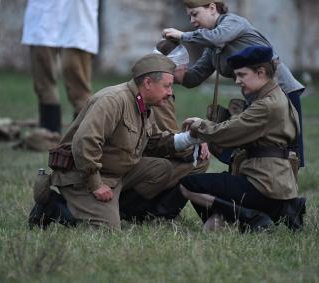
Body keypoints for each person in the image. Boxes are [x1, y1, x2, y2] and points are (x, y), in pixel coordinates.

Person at [28, 54, 199, 230]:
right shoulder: (113, 100)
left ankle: (115, 209)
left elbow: (154, 142)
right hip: (82, 175)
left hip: (115, 173)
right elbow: (85, 142)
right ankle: (52, 207)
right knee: (106, 228)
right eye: (167, 86)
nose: (170, 92)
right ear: (148, 83)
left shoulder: (144, 105)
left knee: (161, 168)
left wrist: (191, 138)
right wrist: (95, 184)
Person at [162, 0, 306, 167]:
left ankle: (285, 190)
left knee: (288, 152)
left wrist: (182, 36)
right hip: (257, 99)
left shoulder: (233, 22)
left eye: (195, 14)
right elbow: (195, 77)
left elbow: (218, 36)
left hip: (283, 91)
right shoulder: (212, 48)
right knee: (248, 150)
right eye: (189, 17)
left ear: (212, 8)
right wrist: (173, 74)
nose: (192, 21)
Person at [179, 46, 306, 232]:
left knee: (189, 185)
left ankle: (252, 218)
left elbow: (229, 133)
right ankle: (279, 210)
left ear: (261, 72)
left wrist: (200, 125)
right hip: (274, 183)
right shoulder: (277, 97)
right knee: (215, 200)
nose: (237, 81)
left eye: (242, 75)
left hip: (263, 185)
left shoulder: (267, 105)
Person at [119, 40, 211, 221]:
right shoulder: (157, 95)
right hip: (132, 165)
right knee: (200, 161)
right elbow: (166, 143)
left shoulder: (142, 88)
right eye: (183, 66)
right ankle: (157, 212)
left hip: (134, 158)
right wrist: (195, 143)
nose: (186, 71)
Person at [21, 0, 99, 133]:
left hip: (79, 37)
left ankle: (85, 137)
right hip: (69, 36)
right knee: (61, 90)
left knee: (79, 92)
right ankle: (57, 133)